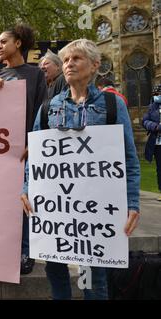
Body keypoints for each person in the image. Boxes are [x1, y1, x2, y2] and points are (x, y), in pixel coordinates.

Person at [21, 39, 140, 299]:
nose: (69, 64)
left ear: (95, 65)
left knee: (95, 278)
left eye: (76, 59)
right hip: (56, 210)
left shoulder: (112, 105)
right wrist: (27, 187)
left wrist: (132, 203)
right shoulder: (48, 108)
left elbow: (128, 159)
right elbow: (34, 156)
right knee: (55, 269)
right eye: (65, 60)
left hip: (95, 213)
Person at [0, 24, 48, 275]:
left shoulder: (35, 76)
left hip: (26, 151)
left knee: (25, 201)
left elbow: (41, 112)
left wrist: (33, 144)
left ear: (18, 43)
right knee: (2, 201)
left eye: (3, 42)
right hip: (1, 153)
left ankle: (26, 251)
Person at [142, 84, 161, 201]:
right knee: (160, 168)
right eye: (156, 94)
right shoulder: (152, 107)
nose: (157, 96)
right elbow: (145, 121)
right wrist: (155, 126)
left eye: (159, 94)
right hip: (158, 144)